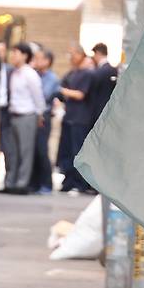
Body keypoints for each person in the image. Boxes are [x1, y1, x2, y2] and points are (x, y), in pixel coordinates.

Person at [4, 43, 46, 194]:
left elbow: (38, 96)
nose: (13, 56)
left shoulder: (30, 74)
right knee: (13, 152)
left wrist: (40, 114)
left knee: (25, 151)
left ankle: (22, 183)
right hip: (14, 115)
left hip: (27, 116)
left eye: (16, 53)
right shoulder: (14, 73)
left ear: (24, 55)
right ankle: (10, 182)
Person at [57, 44, 94, 193]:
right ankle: (68, 181)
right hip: (69, 117)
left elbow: (80, 94)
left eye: (72, 54)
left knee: (77, 152)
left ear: (80, 55)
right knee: (66, 151)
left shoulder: (87, 74)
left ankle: (80, 184)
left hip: (80, 119)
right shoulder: (72, 73)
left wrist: (62, 90)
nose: (70, 57)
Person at [29, 48, 60, 194]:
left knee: (42, 150)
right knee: (33, 150)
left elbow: (44, 94)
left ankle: (47, 184)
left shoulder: (52, 78)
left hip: (44, 116)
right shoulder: (34, 75)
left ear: (47, 61)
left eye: (39, 58)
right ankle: (34, 183)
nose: (36, 61)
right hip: (32, 115)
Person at [0, 40, 13, 189]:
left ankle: (7, 181)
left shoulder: (11, 70)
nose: (0, 53)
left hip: (6, 111)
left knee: (6, 146)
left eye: (2, 50)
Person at [87, 43, 118, 130]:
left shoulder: (99, 71)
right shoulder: (112, 69)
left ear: (98, 53)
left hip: (96, 111)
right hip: (107, 110)